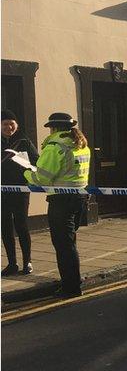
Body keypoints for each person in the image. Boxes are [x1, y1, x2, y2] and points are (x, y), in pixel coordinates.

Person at [24, 112, 90, 297]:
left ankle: (71, 287)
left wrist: (27, 173)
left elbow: (42, 178)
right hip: (80, 198)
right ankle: (73, 282)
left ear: (53, 128)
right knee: (69, 243)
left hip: (61, 201)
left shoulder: (55, 146)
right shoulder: (81, 143)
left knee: (63, 245)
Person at [2, 109, 38, 276]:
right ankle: (12, 263)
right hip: (2, 191)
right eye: (4, 124)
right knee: (5, 227)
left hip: (21, 189)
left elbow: (36, 161)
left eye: (11, 124)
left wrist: (25, 164)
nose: (9, 127)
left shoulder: (24, 140)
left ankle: (27, 262)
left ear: (16, 125)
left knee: (21, 225)